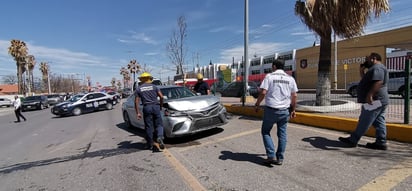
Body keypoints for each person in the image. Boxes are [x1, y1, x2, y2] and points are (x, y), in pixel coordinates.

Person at [339, 52, 389, 150]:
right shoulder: (375, 68)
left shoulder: (377, 68)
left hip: (375, 100)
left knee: (364, 120)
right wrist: (362, 71)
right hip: (380, 100)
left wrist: (370, 95)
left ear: (374, 58)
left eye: (367, 59)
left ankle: (353, 140)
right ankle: (381, 142)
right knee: (379, 121)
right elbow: (367, 81)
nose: (366, 61)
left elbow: (378, 82)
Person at [254, 59, 298, 166]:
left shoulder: (269, 77)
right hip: (284, 111)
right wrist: (293, 109)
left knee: (265, 132)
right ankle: (280, 158)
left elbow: (263, 92)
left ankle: (271, 155)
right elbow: (294, 95)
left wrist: (257, 104)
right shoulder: (290, 79)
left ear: (274, 66)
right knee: (282, 134)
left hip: (271, 110)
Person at [134, 72, 166, 151]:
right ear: (149, 78)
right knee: (159, 124)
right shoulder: (154, 87)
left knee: (149, 127)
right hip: (155, 106)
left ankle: (150, 144)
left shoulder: (139, 88)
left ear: (141, 79)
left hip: (147, 107)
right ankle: (159, 137)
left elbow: (136, 102)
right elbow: (161, 97)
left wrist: (137, 112)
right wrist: (160, 106)